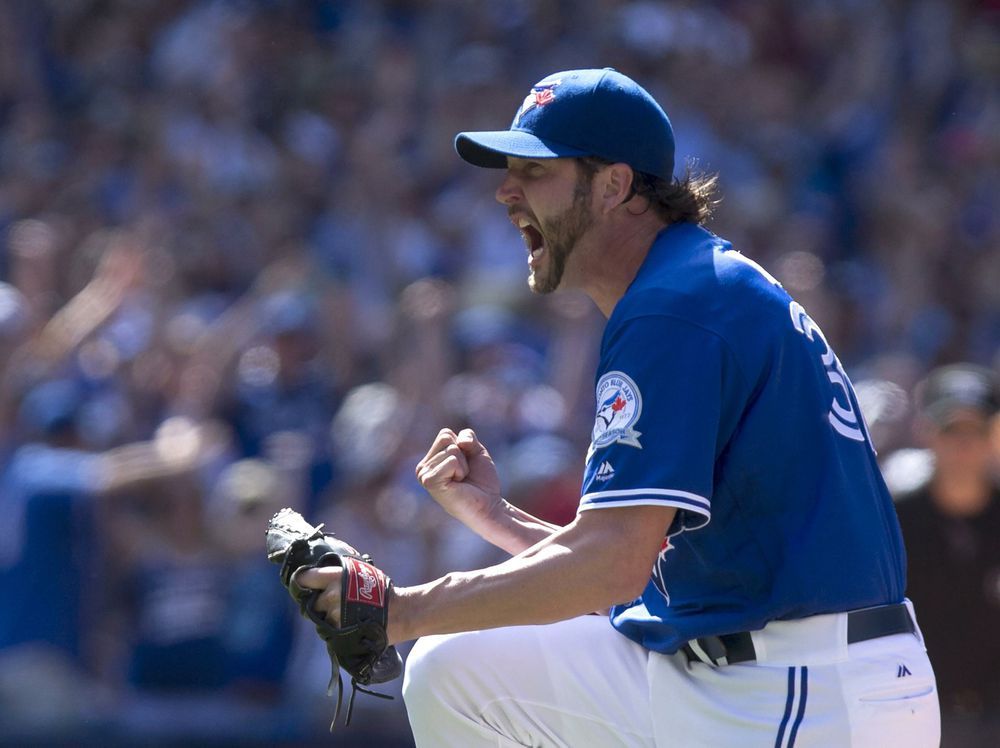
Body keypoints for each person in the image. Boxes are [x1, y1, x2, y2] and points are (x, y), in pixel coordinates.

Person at [299, 68, 940, 746]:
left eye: (535, 171)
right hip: (756, 671)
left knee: (440, 654)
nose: (506, 191)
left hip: (804, 690)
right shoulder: (689, 283)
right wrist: (499, 518)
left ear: (615, 186)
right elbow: (637, 574)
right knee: (456, 675)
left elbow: (611, 565)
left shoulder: (676, 306)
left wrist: (396, 612)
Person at [894, 364, 1000, 744]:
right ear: (926, 433)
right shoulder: (896, 519)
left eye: (977, 429)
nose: (964, 444)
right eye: (951, 429)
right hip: (914, 712)